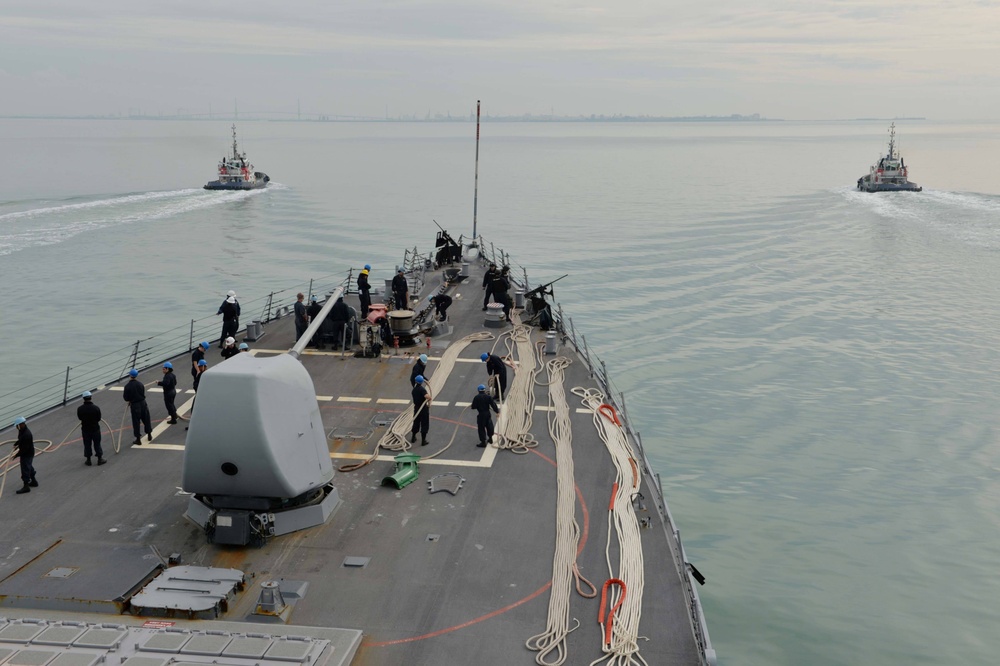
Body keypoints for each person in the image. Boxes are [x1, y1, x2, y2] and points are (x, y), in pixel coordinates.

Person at [123, 368, 152, 446]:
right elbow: (142, 392)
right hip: (143, 403)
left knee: (136, 422)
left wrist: (130, 400)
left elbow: (126, 398)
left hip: (135, 405)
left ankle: (138, 439)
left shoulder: (127, 386)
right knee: (146, 419)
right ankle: (149, 434)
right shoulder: (140, 384)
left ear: (130, 375)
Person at [77, 391, 106, 465]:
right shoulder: (96, 408)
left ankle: (88, 460)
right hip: (95, 429)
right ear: (91, 397)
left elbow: (80, 418)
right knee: (97, 443)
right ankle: (100, 459)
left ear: (83, 398)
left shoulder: (80, 409)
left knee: (87, 444)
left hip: (85, 429)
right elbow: (98, 418)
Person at [11, 417, 37, 494]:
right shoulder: (22, 431)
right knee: (29, 466)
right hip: (27, 452)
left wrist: (16, 455)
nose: (16, 427)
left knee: (25, 468)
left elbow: (24, 449)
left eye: (17, 425)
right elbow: (21, 440)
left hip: (27, 454)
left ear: (21, 424)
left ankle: (26, 486)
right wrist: (17, 443)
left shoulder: (27, 434)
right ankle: (34, 481)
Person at [410, 374, 431, 446]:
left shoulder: (414, 390)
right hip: (423, 409)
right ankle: (423, 441)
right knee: (424, 423)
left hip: (416, 408)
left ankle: (413, 437)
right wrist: (430, 399)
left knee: (416, 422)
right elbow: (427, 396)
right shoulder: (422, 389)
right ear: (422, 382)